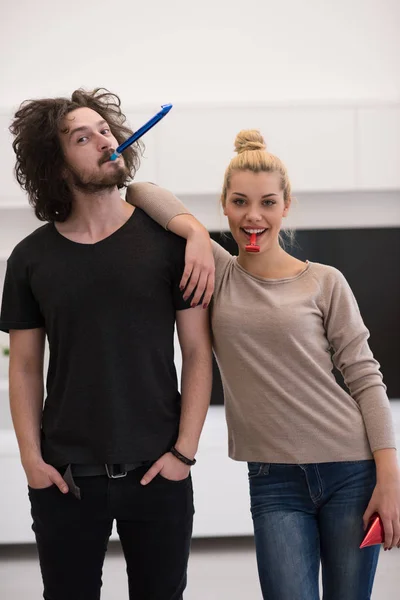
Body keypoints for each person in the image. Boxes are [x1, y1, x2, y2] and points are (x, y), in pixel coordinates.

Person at [126, 129, 400, 600]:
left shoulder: (325, 282)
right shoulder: (216, 271)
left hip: (351, 470)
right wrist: (192, 229)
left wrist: (391, 479)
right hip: (274, 481)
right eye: (240, 202)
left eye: (268, 203)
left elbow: (365, 378)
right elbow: (138, 191)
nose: (253, 216)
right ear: (225, 207)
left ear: (286, 206)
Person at [0, 88, 214, 600]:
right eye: (82, 136)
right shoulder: (29, 260)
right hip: (66, 478)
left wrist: (183, 454)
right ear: (56, 164)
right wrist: (31, 459)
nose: (104, 140)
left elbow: (199, 353)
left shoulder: (169, 243)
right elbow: (25, 368)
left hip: (159, 471)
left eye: (104, 128)